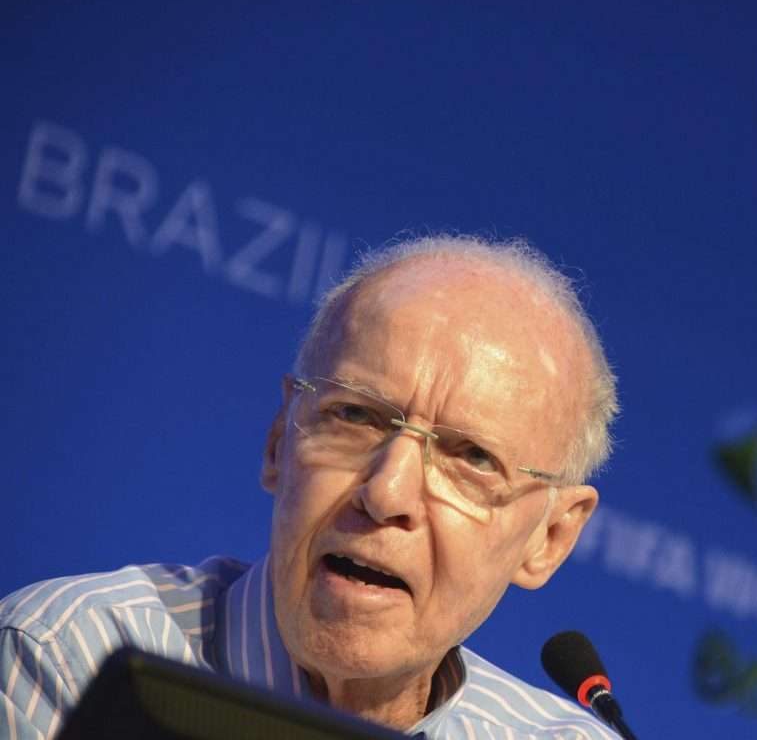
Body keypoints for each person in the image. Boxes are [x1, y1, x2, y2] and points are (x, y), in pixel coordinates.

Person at [0, 234, 621, 739]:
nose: (387, 494)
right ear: (280, 441)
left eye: (472, 458)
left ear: (551, 536)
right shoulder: (66, 659)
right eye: (354, 417)